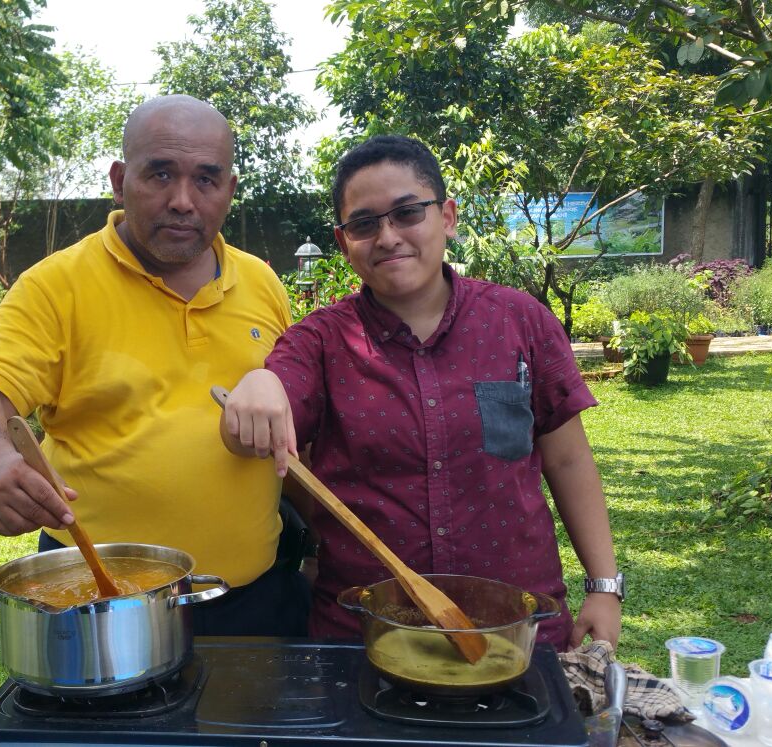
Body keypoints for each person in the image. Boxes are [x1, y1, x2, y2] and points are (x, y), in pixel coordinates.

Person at [219, 135, 621, 650]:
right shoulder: (319, 341)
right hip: (366, 636)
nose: (388, 237)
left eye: (407, 213)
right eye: (364, 223)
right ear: (343, 242)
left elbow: (568, 460)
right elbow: (255, 418)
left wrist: (604, 587)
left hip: (515, 628)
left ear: (447, 217)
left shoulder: (520, 321)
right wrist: (259, 384)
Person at [0, 95, 308, 636]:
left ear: (229, 190)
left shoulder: (261, 282)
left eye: (206, 180)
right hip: (102, 611)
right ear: (119, 180)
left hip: (254, 599)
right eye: (160, 174)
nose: (182, 201)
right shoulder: (57, 286)